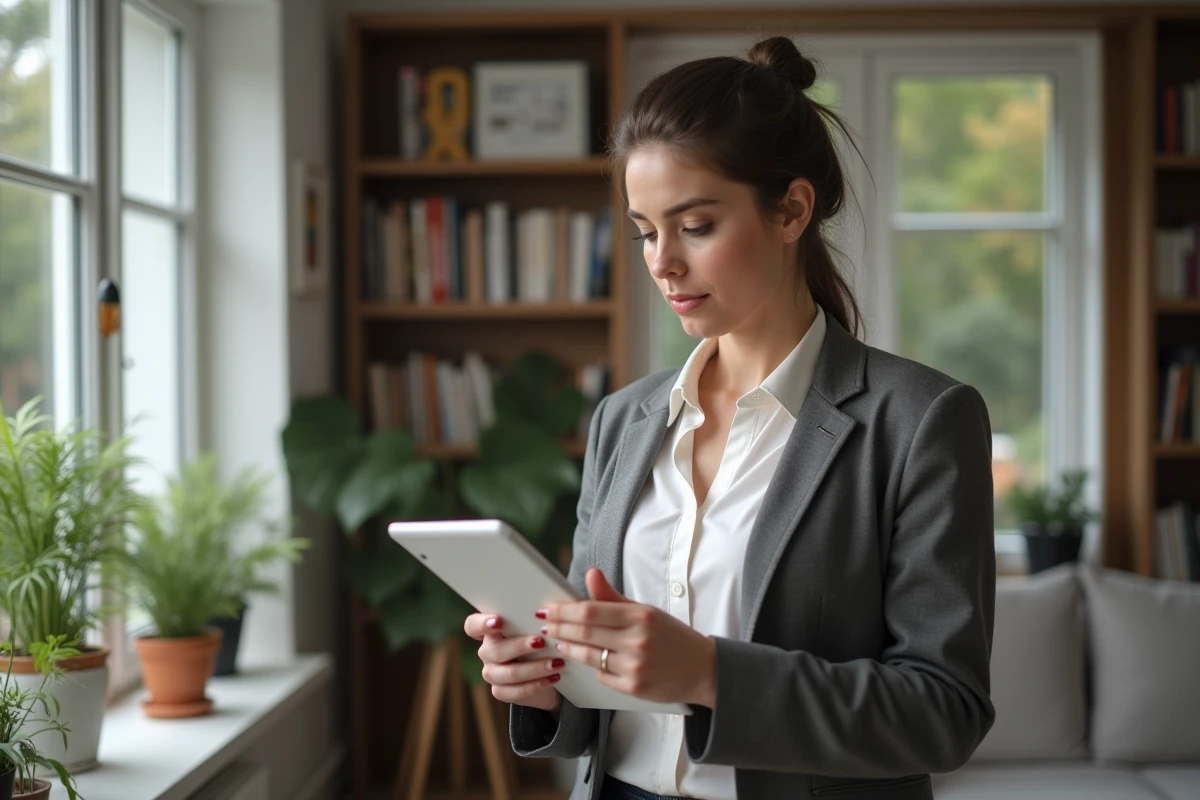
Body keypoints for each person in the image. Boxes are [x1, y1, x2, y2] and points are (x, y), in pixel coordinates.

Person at [464, 35, 996, 800]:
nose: (662, 263)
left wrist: (711, 673)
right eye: (646, 231)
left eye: (695, 226)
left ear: (792, 210)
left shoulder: (921, 422)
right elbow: (597, 691)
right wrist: (543, 680)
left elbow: (944, 712)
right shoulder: (622, 420)